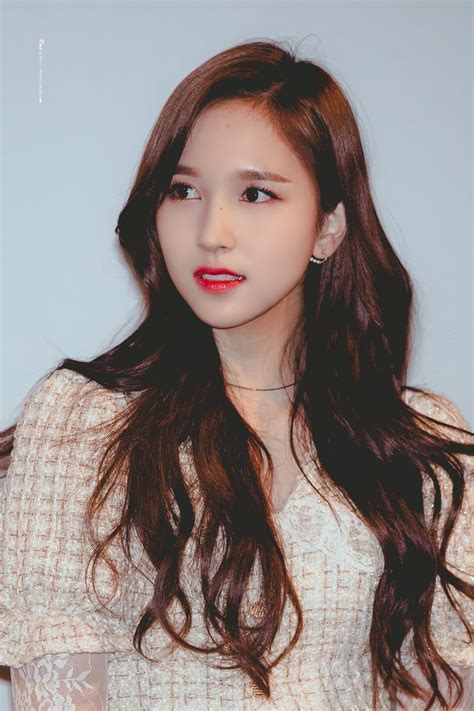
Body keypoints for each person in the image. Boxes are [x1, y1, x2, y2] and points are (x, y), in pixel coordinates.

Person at [0, 38, 472, 711]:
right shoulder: (82, 423)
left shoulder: (424, 443)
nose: (212, 230)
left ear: (328, 227)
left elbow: (449, 687)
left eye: (255, 193)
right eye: (184, 190)